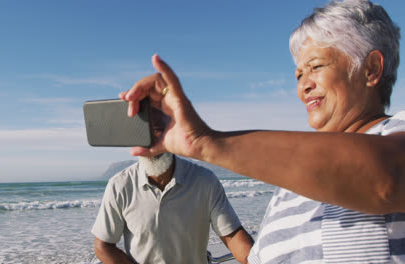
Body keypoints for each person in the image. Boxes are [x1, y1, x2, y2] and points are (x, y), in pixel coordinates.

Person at [119, 0, 405, 263]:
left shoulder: (396, 133)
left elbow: (386, 177)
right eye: (298, 74)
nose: (303, 85)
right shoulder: (290, 187)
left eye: (315, 66)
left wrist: (208, 143)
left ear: (371, 69)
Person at [92, 107, 253, 264]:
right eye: (141, 134)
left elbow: (231, 236)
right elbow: (103, 246)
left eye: (157, 130)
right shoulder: (120, 185)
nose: (151, 143)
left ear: (173, 132)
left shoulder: (205, 181)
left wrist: (256, 259)